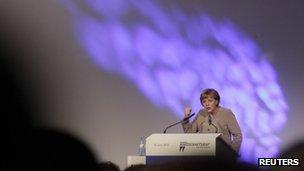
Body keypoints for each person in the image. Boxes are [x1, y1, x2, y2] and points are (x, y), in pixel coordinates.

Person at [182, 88, 242, 153]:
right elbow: (189, 132)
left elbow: (238, 136)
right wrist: (186, 118)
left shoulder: (226, 113)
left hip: (222, 156)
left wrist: (231, 153)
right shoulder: (201, 113)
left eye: (210, 101)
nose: (207, 104)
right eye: (204, 101)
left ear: (216, 102)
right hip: (204, 155)